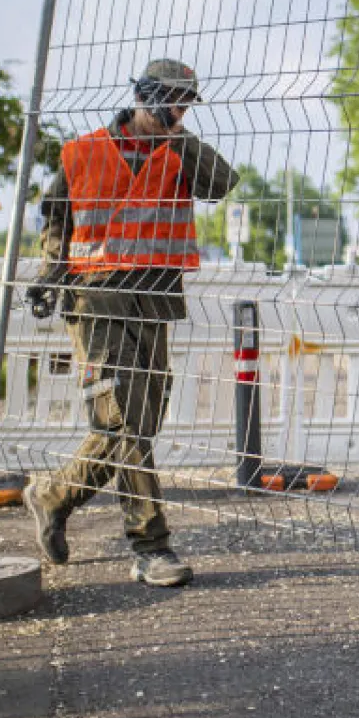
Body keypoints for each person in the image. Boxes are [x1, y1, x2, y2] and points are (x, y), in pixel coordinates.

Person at [24, 59, 238, 588]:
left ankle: (54, 494)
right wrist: (50, 272)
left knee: (139, 421)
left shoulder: (179, 152)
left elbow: (221, 184)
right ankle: (150, 546)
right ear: (144, 96)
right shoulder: (82, 152)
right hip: (94, 300)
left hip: (155, 301)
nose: (179, 111)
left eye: (187, 104)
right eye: (173, 101)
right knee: (124, 422)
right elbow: (56, 219)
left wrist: (178, 137)